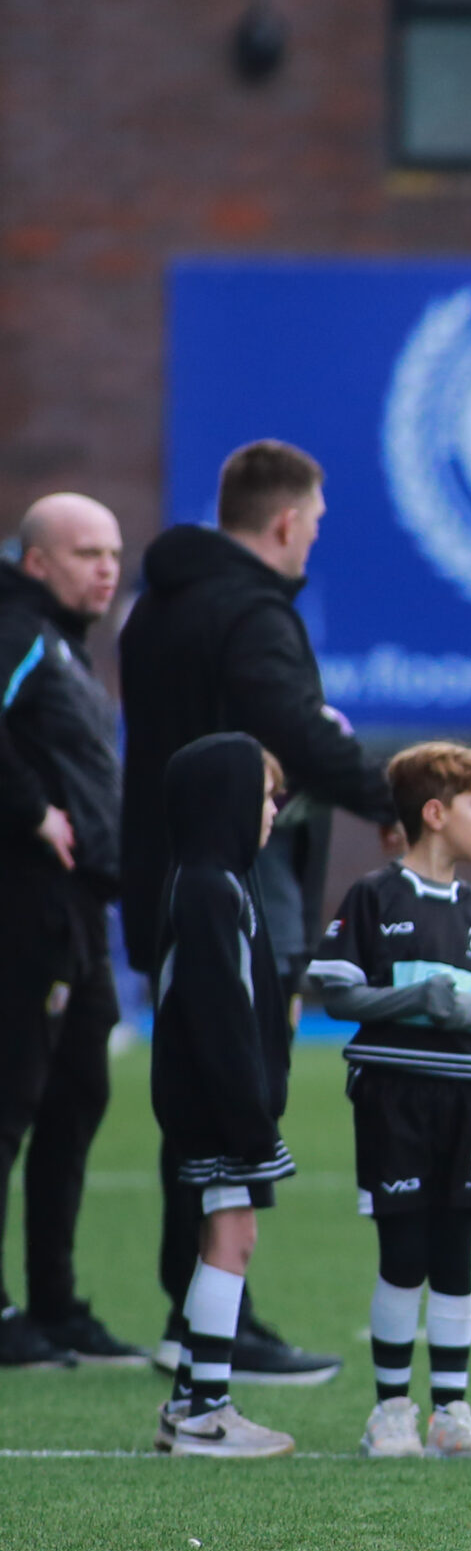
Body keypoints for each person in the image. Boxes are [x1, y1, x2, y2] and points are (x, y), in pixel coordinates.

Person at [121, 440, 396, 1384]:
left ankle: (194, 1312)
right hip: (239, 896)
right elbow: (295, 733)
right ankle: (207, 1321)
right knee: (239, 1101)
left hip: (162, 876)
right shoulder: (250, 612)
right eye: (314, 521)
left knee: (197, 1097)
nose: (315, 536)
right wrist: (397, 801)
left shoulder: (158, 605)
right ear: (284, 521)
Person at [305, 742, 471, 1461]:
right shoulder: (373, 897)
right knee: (403, 1250)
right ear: (435, 815)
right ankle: (389, 1413)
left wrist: (460, 1012)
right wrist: (413, 997)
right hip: (394, 1099)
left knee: (457, 1252)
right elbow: (337, 993)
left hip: (470, 1101)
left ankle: (451, 1410)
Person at [0, 495, 141, 1367]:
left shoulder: (62, 646)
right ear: (37, 560)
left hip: (81, 908)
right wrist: (32, 811)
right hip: (26, 901)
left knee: (76, 1097)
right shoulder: (15, 627)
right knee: (12, 1101)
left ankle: (55, 1303)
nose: (106, 567)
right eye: (86, 551)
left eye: (115, 552)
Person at [149, 735, 296, 1458]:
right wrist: (249, 1117)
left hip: (224, 1108)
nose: (273, 810)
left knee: (230, 1238)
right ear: (227, 800)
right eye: (264, 795)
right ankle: (207, 1409)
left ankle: (190, 1399)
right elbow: (218, 1015)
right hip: (216, 1112)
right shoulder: (209, 887)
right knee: (230, 1241)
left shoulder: (225, 881)